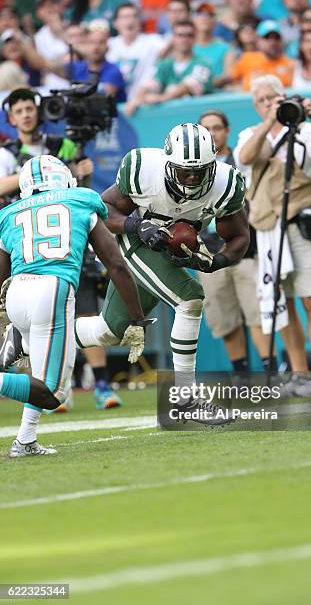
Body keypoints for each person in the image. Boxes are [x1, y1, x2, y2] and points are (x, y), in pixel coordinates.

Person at [71, 122, 250, 425]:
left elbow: (239, 238)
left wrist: (215, 262)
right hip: (133, 242)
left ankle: (33, 338)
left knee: (109, 331)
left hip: (167, 254)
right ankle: (186, 399)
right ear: (169, 165)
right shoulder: (143, 169)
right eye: (185, 172)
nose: (192, 179)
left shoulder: (225, 182)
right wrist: (137, 225)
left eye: (200, 171)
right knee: (190, 299)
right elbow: (104, 211)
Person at [0, 154, 147, 457]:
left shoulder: (9, 213)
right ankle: (22, 340)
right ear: (64, 178)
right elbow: (116, 265)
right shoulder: (81, 199)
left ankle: (25, 439)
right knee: (53, 393)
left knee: (42, 374)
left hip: (17, 294)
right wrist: (136, 317)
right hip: (52, 291)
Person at [0, 87, 122, 410]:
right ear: (10, 118)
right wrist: (36, 172)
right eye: (19, 110)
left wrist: (81, 171)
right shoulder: (7, 152)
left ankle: (100, 384)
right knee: (37, 320)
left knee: (82, 308)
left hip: (68, 238)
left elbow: (82, 179)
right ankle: (47, 385)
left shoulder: (62, 144)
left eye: (30, 108)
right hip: (27, 243)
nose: (26, 114)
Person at [234, 74, 311, 397]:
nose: (269, 104)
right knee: (283, 302)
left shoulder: (305, 130)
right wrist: (270, 122)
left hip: (303, 225)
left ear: (285, 97)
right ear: (255, 106)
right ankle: (299, 372)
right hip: (269, 230)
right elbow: (246, 158)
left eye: (274, 98)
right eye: (263, 100)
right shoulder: (251, 134)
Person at [197, 109, 274, 377]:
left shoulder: (240, 159)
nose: (212, 134)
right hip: (208, 251)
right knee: (224, 317)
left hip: (245, 249)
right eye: (206, 129)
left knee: (256, 312)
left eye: (217, 128)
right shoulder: (192, 166)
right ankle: (241, 374)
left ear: (227, 130)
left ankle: (269, 370)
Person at [124, 20, 213, 115]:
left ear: (195, 38)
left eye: (189, 35)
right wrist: (138, 99)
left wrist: (163, 98)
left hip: (195, 117)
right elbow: (151, 84)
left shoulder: (203, 63)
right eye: (180, 35)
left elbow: (187, 86)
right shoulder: (165, 64)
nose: (184, 39)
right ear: (173, 38)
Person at [107, 3, 164, 101]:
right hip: (115, 104)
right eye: (125, 17)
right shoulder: (108, 45)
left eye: (135, 16)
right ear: (115, 23)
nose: (130, 20)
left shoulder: (153, 41)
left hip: (143, 104)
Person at [229, 20, 294, 91]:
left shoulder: (290, 65)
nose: (272, 42)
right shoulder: (246, 59)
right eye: (267, 37)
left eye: (276, 37)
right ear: (258, 40)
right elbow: (231, 83)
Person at [192, 3, 235, 88]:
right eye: (200, 14)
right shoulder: (187, 46)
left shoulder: (226, 48)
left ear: (215, 21)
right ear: (193, 20)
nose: (205, 18)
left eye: (210, 15)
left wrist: (204, 85)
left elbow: (229, 74)